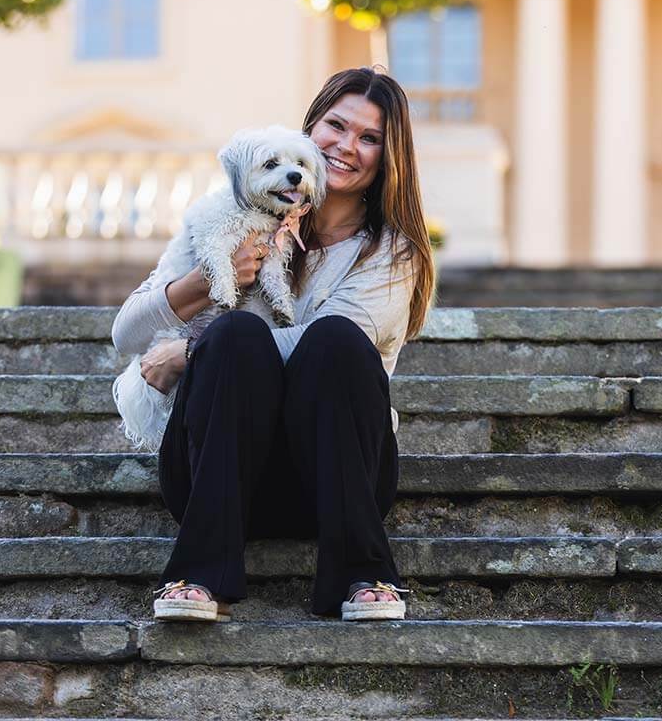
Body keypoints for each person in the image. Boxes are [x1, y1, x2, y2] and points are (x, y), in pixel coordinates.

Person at [111, 66, 436, 621]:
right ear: (310, 127)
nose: (347, 147)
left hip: (333, 479)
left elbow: (323, 355)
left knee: (329, 339)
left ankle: (362, 572)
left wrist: (189, 353)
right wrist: (209, 283)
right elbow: (126, 335)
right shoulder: (227, 216)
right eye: (336, 126)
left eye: (370, 138)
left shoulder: (391, 253)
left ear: (388, 157)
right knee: (236, 331)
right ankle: (198, 574)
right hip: (218, 471)